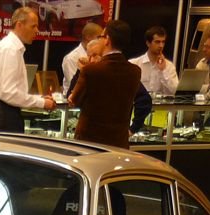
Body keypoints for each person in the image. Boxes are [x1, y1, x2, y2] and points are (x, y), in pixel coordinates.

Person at [69, 20, 142, 149]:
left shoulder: (91, 70)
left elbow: (74, 101)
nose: (99, 40)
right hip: (119, 142)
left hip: (90, 142)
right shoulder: (135, 71)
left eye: (101, 36)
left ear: (107, 39)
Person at [0, 8, 55, 133]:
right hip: (4, 115)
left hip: (3, 113)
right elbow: (8, 93)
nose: (37, 30)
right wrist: (41, 102)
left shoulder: (10, 47)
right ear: (19, 25)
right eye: (33, 26)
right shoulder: (10, 49)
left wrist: (39, 99)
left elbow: (9, 92)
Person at [129, 25, 178, 96]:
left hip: (161, 103)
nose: (161, 46)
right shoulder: (134, 64)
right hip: (140, 102)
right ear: (148, 43)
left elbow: (175, 91)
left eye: (163, 42)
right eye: (157, 42)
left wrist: (163, 71)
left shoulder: (169, 66)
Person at [61, 22, 102, 96]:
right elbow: (75, 85)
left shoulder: (101, 56)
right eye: (99, 37)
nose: (101, 41)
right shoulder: (71, 58)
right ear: (88, 37)